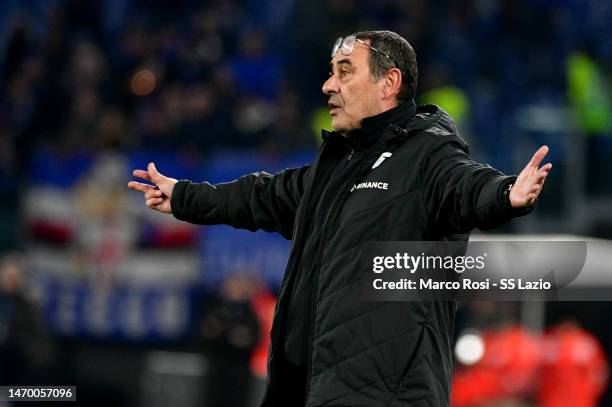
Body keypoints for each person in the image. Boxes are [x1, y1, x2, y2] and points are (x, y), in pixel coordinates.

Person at [128, 30, 552, 406]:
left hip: (386, 394)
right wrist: (184, 195)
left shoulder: (428, 155)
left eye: (345, 71)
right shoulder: (335, 169)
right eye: (332, 72)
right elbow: (261, 195)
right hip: (312, 389)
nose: (329, 85)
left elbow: (465, 187)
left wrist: (504, 193)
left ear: (390, 83)